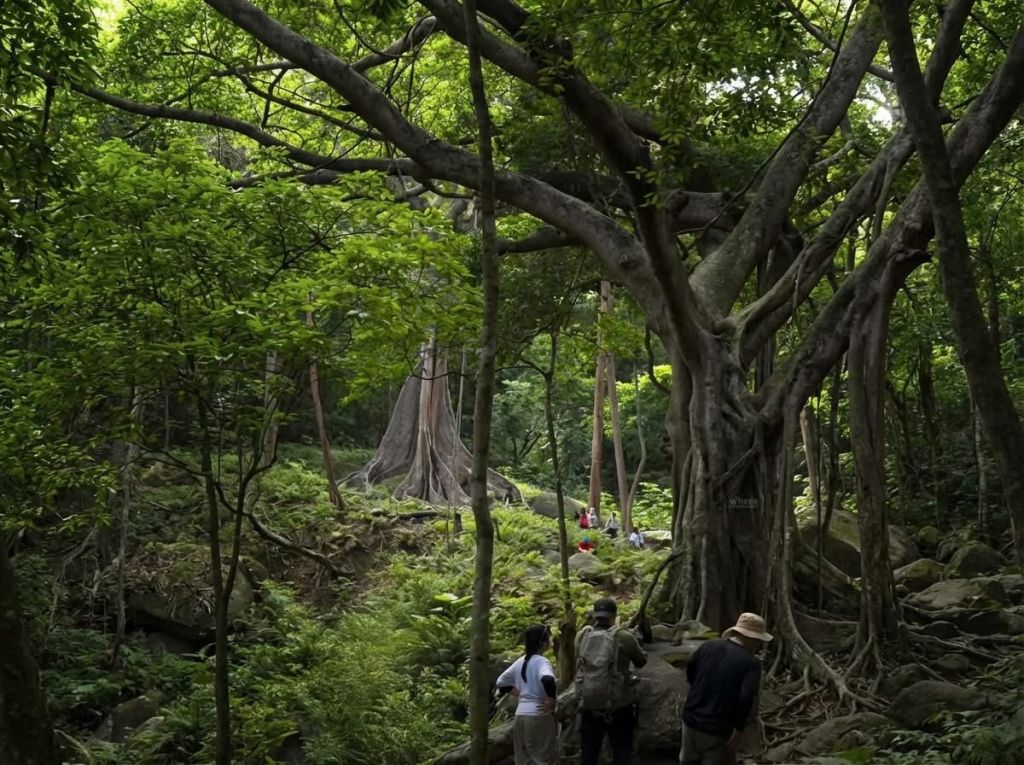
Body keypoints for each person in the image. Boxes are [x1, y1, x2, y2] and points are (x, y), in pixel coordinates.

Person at [680, 612, 772, 765]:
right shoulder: (751, 663)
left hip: (690, 721)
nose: (758, 644)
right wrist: (739, 729)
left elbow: (690, 669)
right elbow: (746, 697)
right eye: (758, 640)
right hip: (717, 730)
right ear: (751, 638)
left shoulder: (708, 646)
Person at [575, 597, 648, 765]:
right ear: (614, 615)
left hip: (589, 703)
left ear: (595, 615)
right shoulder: (623, 636)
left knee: (589, 754)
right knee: (621, 751)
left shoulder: (582, 635)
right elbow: (640, 662)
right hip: (619, 705)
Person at [496, 624, 559, 765]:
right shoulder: (542, 662)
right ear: (542, 643)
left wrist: (521, 694)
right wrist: (551, 700)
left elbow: (501, 682)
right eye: (548, 638)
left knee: (523, 760)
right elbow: (548, 679)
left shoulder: (521, 661)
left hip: (520, 716)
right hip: (539, 715)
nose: (550, 641)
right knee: (543, 759)